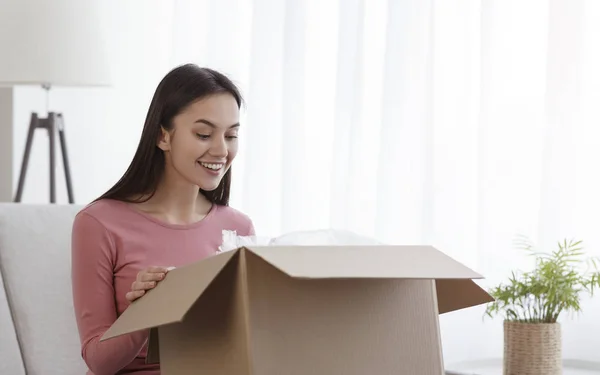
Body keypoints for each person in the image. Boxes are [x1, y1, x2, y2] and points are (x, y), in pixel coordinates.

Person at [70, 64, 255, 375]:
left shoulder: (238, 228)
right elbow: (98, 361)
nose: (222, 150)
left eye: (231, 135)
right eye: (204, 134)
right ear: (162, 136)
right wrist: (147, 311)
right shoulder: (99, 223)